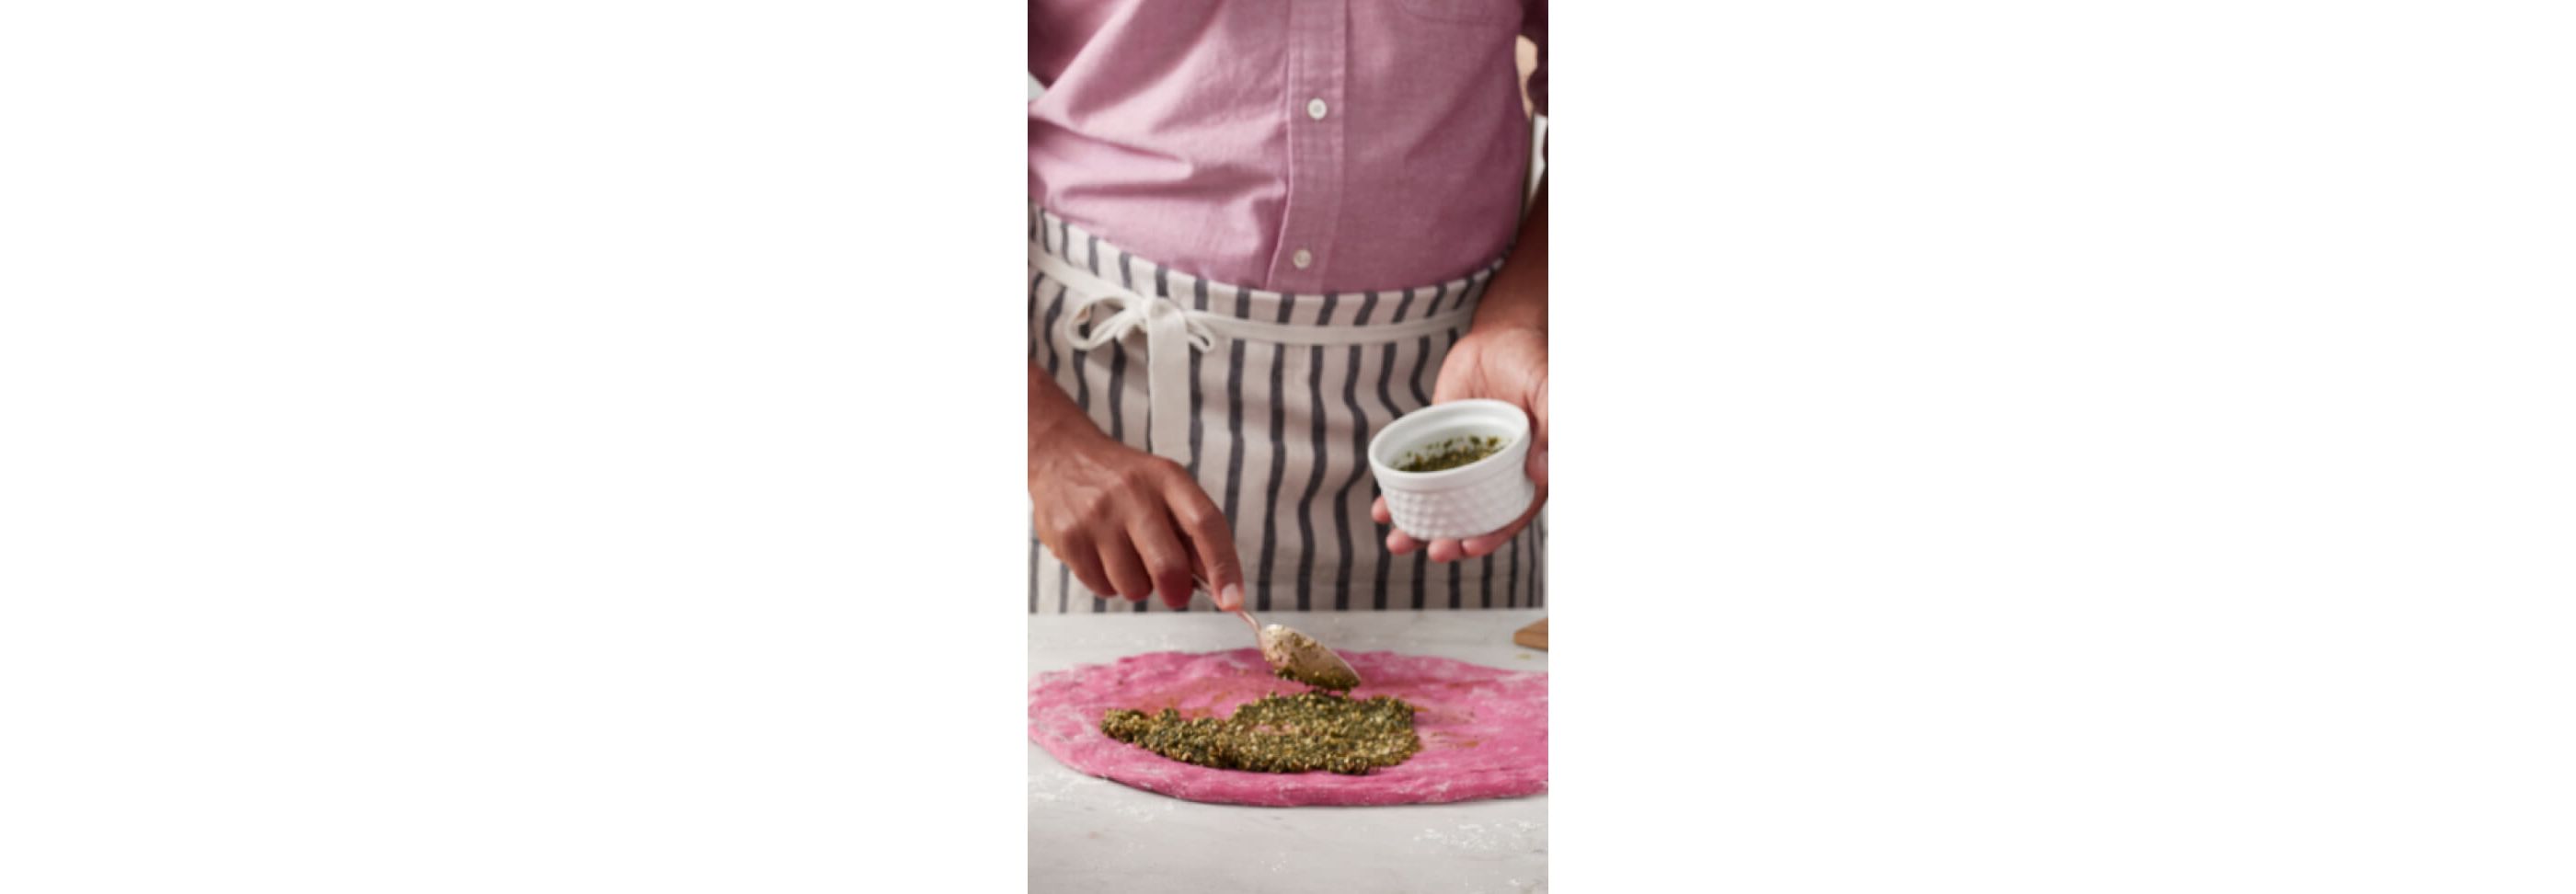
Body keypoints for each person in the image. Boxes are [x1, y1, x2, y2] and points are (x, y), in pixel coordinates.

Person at [1028, 0, 1547, 615]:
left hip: (1455, 398)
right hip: (1102, 406)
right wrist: (1044, 441)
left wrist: (1523, 317)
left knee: (1474, 712)